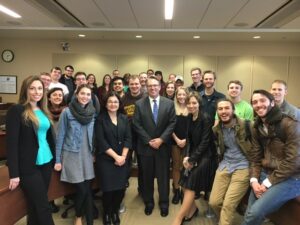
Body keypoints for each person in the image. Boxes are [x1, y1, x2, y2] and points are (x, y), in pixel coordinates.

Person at [242, 90, 300, 225]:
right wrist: (254, 180)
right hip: (266, 173)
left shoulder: (290, 123)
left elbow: (294, 161)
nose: (258, 104)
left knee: (254, 213)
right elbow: (255, 157)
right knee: (251, 213)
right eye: (254, 102)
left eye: (262, 100)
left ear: (272, 103)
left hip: (292, 177)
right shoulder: (256, 126)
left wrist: (267, 182)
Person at [6, 75, 55, 225]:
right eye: (32, 88)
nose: (36, 92)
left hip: (46, 162)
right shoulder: (17, 110)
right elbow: (11, 144)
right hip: (28, 166)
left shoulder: (43, 110)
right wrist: (14, 174)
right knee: (43, 206)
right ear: (25, 90)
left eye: (40, 88)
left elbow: (47, 137)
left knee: (34, 206)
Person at [133, 76, 176, 217]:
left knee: (163, 177)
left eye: (155, 85)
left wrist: (161, 139)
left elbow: (172, 123)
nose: (153, 88)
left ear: (160, 87)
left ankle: (164, 203)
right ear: (146, 87)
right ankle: (149, 202)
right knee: (147, 177)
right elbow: (136, 124)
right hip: (145, 147)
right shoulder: (139, 104)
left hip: (163, 147)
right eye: (150, 85)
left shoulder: (169, 103)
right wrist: (149, 140)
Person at [172, 92, 217, 225]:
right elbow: (189, 140)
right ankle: (192, 209)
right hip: (194, 154)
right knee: (184, 177)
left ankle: (178, 217)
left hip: (207, 157)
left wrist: (192, 160)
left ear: (199, 104)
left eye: (194, 103)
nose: (191, 106)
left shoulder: (206, 118)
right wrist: (187, 156)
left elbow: (204, 143)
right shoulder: (189, 118)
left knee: (190, 182)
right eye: (189, 103)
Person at [55, 84, 96, 225]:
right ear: (76, 95)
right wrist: (57, 160)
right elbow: (60, 136)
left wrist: (94, 152)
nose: (85, 96)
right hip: (71, 155)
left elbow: (94, 135)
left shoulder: (92, 112)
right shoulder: (67, 112)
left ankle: (88, 219)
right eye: (82, 93)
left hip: (87, 155)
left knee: (86, 189)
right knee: (82, 189)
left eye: (88, 94)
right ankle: (79, 216)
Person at [209, 99, 252, 225]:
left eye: (227, 108)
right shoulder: (216, 129)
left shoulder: (247, 125)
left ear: (233, 110)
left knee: (228, 205)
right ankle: (225, 219)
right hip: (225, 165)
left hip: (243, 166)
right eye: (220, 109)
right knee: (214, 202)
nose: (224, 111)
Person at [95, 92, 132, 225]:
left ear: (119, 104)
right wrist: (116, 156)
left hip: (122, 159)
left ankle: (115, 211)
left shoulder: (124, 118)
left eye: (115, 102)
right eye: (110, 101)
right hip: (106, 159)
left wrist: (123, 157)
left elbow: (128, 138)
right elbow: (101, 141)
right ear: (105, 104)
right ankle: (106, 212)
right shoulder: (100, 119)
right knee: (108, 190)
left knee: (120, 189)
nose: (113, 104)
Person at [47, 87, 67, 213]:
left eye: (60, 95)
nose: (58, 97)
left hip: (64, 146)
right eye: (55, 95)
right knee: (50, 176)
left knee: (63, 172)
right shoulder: (44, 111)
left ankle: (66, 194)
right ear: (49, 97)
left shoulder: (67, 110)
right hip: (48, 146)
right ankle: (50, 200)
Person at [171, 87, 189, 204]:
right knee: (176, 167)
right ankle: (177, 190)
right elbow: (169, 126)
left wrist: (186, 140)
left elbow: (193, 127)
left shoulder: (191, 108)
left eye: (183, 94)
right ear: (176, 96)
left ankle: (184, 191)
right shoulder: (172, 109)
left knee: (186, 167)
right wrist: (177, 140)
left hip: (188, 142)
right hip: (174, 142)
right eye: (179, 95)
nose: (181, 97)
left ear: (187, 95)